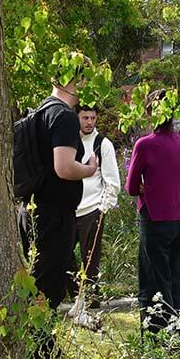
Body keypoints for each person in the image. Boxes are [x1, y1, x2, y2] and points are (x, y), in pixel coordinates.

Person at [19, 76, 100, 315]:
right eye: (86, 78)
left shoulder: (41, 111)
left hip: (32, 210)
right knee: (47, 291)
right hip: (52, 215)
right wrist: (89, 169)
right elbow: (63, 168)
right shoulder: (63, 115)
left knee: (38, 286)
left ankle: (41, 350)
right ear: (75, 80)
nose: (89, 85)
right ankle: (40, 350)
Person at [124, 90, 180, 331]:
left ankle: (155, 335)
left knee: (153, 281)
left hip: (155, 218)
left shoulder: (145, 144)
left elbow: (130, 187)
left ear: (150, 112)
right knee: (172, 280)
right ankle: (175, 332)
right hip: (178, 219)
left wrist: (144, 187)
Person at [71, 105, 120, 313]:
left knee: (91, 261)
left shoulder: (103, 144)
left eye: (92, 117)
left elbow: (112, 182)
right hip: (69, 210)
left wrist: (103, 208)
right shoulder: (69, 142)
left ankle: (90, 305)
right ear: (77, 118)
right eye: (85, 118)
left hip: (92, 210)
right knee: (63, 256)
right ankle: (76, 297)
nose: (90, 122)